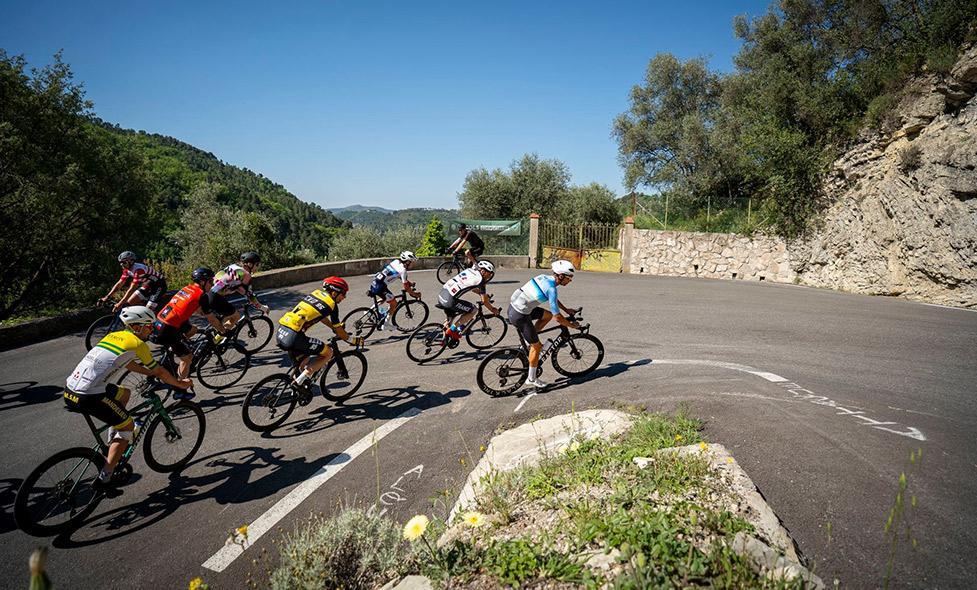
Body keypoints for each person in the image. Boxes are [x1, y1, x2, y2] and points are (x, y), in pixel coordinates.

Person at [64, 306, 192, 492]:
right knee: (128, 427)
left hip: (72, 388)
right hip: (88, 395)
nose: (152, 329)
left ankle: (112, 445)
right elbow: (160, 370)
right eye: (148, 326)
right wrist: (180, 384)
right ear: (136, 327)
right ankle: (105, 478)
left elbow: (127, 363)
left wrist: (148, 372)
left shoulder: (113, 336)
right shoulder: (138, 344)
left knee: (124, 394)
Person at [276, 276, 363, 398]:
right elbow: (341, 333)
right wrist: (352, 340)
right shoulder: (332, 305)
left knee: (303, 361)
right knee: (328, 353)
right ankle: (298, 382)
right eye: (343, 294)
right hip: (295, 337)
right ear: (334, 292)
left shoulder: (315, 294)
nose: (344, 297)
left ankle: (296, 392)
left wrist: (332, 327)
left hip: (282, 330)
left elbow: (320, 316)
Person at [152, 267, 227, 395]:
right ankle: (180, 388)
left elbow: (194, 307)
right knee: (187, 358)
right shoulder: (202, 295)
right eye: (210, 281)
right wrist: (222, 330)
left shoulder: (187, 289)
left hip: (160, 322)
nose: (212, 284)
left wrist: (205, 313)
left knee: (192, 330)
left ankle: (170, 355)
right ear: (203, 282)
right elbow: (212, 320)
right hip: (168, 328)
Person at [507, 260, 580, 389]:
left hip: (516, 308)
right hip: (520, 315)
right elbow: (558, 318)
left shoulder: (544, 278)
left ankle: (529, 339)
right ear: (561, 276)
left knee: (547, 316)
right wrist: (572, 325)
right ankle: (531, 378)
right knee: (537, 346)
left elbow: (553, 300)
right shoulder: (552, 288)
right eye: (569, 278)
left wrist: (566, 310)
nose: (570, 281)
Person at [436, 260, 500, 345]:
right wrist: (493, 309)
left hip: (442, 295)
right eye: (490, 273)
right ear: (483, 271)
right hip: (450, 300)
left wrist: (483, 294)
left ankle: (444, 340)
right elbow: (484, 301)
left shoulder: (469, 270)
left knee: (450, 319)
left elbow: (472, 287)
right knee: (473, 310)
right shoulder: (481, 280)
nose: (490, 276)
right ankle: (451, 330)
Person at [209, 252, 270, 340]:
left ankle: (217, 331)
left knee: (226, 315)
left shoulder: (233, 267)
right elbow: (249, 294)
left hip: (210, 292)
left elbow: (237, 286)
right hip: (215, 296)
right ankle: (217, 340)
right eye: (257, 264)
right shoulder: (246, 274)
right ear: (249, 264)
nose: (258, 267)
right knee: (236, 316)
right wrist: (262, 307)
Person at [367, 251, 422, 330]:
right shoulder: (403, 270)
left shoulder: (396, 262)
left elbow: (398, 275)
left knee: (385, 298)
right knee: (394, 303)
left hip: (375, 282)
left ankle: (369, 312)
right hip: (380, 287)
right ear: (407, 262)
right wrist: (415, 294)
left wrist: (409, 283)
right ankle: (386, 324)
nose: (413, 264)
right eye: (412, 262)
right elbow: (406, 288)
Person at [99, 251, 168, 312]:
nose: (121, 264)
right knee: (129, 303)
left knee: (148, 311)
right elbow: (119, 284)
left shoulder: (139, 270)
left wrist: (120, 303)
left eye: (123, 262)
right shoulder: (127, 270)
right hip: (148, 284)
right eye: (120, 262)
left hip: (159, 285)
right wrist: (107, 297)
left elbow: (132, 289)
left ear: (131, 261)